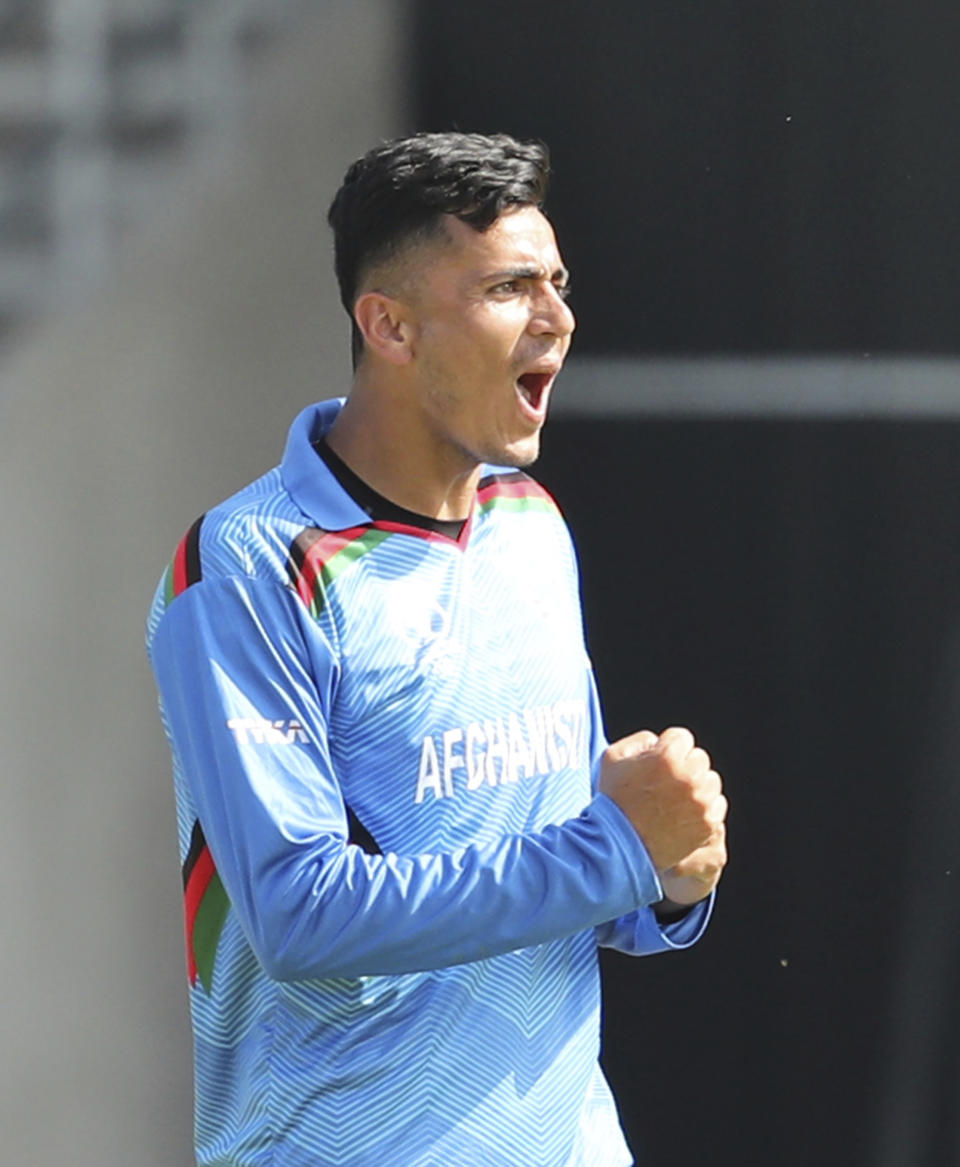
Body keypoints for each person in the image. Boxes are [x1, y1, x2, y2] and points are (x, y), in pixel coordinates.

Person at [146, 131, 728, 1167]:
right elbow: (301, 916)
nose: (557, 317)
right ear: (391, 327)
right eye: (511, 287)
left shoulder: (531, 521)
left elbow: (556, 862)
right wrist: (618, 851)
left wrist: (666, 880)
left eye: (558, 281)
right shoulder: (248, 568)